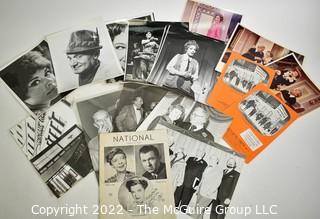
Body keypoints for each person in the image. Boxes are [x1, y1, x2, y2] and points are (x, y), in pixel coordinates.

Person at [88, 110, 114, 176]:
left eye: (106, 118)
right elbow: (97, 168)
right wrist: (102, 140)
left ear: (110, 118)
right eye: (99, 121)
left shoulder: (124, 132)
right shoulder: (92, 144)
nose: (104, 122)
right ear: (95, 125)